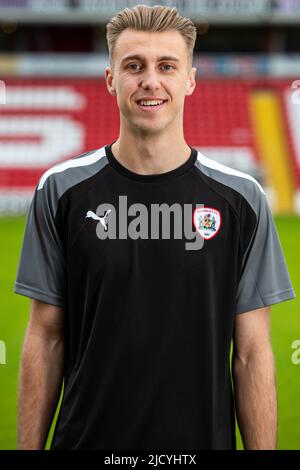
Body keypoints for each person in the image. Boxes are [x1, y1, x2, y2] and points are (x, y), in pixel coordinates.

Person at [14, 4, 295, 451]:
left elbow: (252, 353)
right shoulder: (62, 191)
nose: (150, 81)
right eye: (134, 66)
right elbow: (46, 337)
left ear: (190, 79)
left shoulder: (243, 200)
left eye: (167, 66)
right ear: (110, 79)